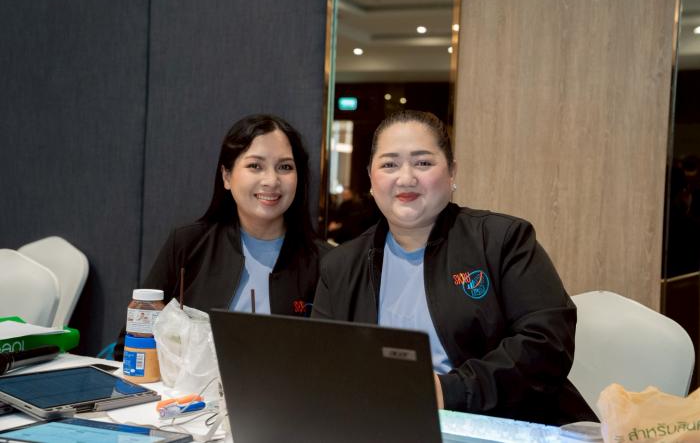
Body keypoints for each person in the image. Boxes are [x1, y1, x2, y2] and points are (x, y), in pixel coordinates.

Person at [312, 110, 596, 425]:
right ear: (370, 178)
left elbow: (547, 344)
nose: (406, 178)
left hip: (504, 425)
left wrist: (446, 391)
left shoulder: (502, 240)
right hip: (385, 426)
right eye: (389, 164)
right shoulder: (340, 266)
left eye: (423, 163)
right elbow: (324, 365)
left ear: (451, 172)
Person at [115, 114, 330, 359]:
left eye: (285, 167)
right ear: (227, 176)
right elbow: (130, 347)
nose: (271, 180)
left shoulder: (326, 264)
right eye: (255, 166)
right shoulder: (188, 245)